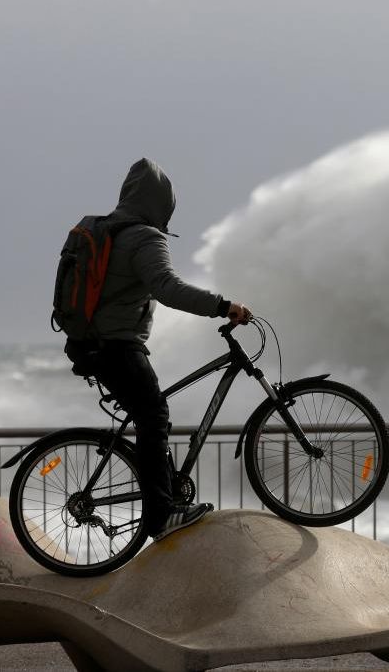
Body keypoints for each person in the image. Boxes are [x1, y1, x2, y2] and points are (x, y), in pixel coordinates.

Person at [65, 158, 252, 541]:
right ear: (162, 203)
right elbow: (166, 287)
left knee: (153, 418)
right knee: (154, 416)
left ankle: (165, 500)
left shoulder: (109, 230)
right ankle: (160, 516)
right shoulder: (144, 237)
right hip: (117, 345)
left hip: (91, 343)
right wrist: (223, 306)